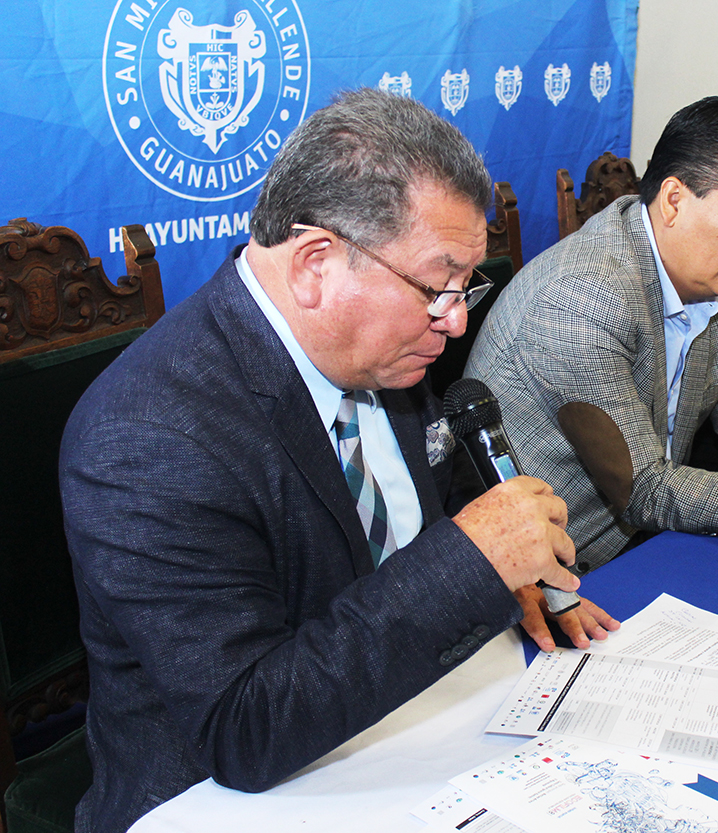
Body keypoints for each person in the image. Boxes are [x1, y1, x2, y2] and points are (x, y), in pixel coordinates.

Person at [59, 89, 611, 833]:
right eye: (436, 285)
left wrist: (497, 583)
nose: (455, 319)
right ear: (317, 261)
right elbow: (243, 728)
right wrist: (468, 563)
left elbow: (394, 543)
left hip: (408, 727)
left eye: (465, 285)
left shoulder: (387, 351)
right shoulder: (148, 435)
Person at [466, 96, 718, 573]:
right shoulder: (583, 296)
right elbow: (644, 488)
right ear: (674, 200)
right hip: (559, 573)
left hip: (651, 540)